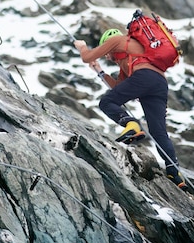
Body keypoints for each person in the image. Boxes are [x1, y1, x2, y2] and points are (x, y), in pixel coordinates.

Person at [74, 27, 187, 190]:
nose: (107, 56)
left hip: (144, 77)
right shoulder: (130, 59)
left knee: (106, 103)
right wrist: (99, 71)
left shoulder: (117, 41)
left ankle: (132, 124)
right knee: (158, 132)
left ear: (107, 42)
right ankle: (174, 172)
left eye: (106, 52)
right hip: (159, 84)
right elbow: (119, 88)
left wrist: (82, 46)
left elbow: (86, 57)